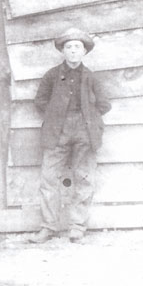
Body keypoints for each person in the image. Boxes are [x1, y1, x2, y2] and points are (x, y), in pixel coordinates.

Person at [31, 26, 111, 244]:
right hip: (57, 131)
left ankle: (77, 226)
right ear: (63, 51)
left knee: (84, 177)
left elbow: (104, 104)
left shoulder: (91, 78)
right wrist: (56, 115)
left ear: (84, 51)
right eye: (69, 47)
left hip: (84, 131)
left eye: (78, 47)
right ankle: (48, 227)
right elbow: (40, 101)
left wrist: (88, 118)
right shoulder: (52, 76)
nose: (73, 51)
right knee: (49, 179)